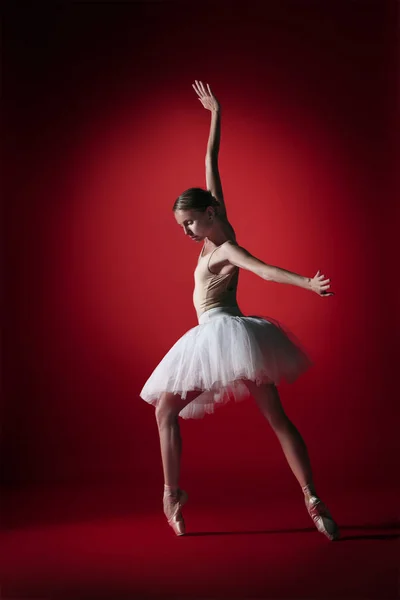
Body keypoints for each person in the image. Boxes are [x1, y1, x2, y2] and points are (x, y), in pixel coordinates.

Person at [140, 80, 339, 541]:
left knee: (257, 416)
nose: (187, 231)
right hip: (229, 338)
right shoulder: (217, 222)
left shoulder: (225, 246)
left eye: (189, 222)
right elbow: (211, 163)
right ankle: (306, 497)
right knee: (257, 416)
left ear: (208, 214)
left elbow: (264, 270)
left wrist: (306, 283)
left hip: (223, 334)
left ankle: (310, 498)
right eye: (181, 225)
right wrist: (216, 114)